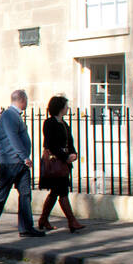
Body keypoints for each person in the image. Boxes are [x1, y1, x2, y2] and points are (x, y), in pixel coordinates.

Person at [0, 89, 46, 238]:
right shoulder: (9, 115)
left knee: (25, 194)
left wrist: (1, 148)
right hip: (10, 163)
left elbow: (4, 138)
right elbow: (12, 138)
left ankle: (25, 227)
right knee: (2, 194)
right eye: (27, 100)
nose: (28, 102)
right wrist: (25, 157)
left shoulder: (12, 115)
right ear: (22, 100)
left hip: (18, 162)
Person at [38, 94, 85, 233]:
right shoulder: (49, 123)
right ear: (60, 108)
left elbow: (70, 142)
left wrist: (73, 154)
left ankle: (43, 219)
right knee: (62, 191)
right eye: (66, 106)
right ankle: (72, 221)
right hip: (54, 163)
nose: (68, 108)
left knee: (55, 192)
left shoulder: (64, 124)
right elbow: (50, 144)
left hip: (63, 164)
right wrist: (65, 156)